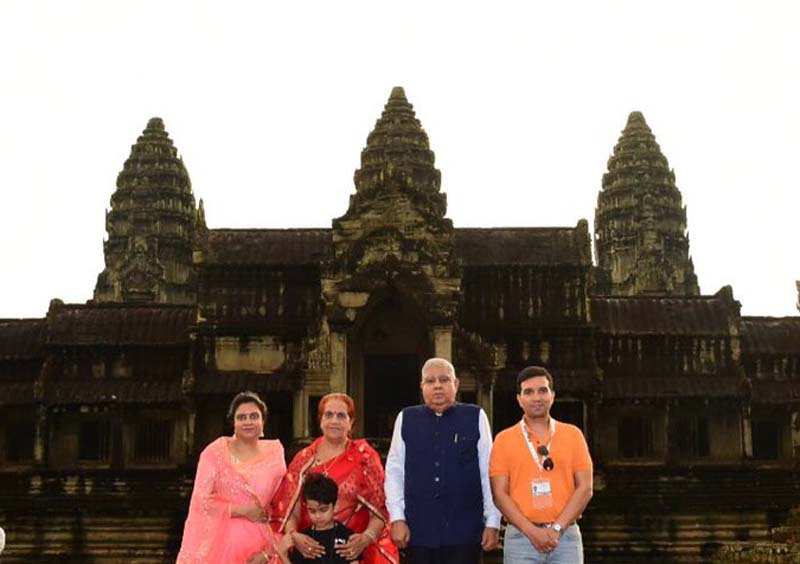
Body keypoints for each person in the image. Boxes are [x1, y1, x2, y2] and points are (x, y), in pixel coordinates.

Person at [384, 357, 501, 564]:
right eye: (430, 381)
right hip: (418, 531)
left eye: (444, 380)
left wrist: (492, 521)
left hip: (464, 531)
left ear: (456, 384)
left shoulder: (475, 416)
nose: (437, 386)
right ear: (422, 386)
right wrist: (397, 518)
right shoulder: (407, 418)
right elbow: (395, 472)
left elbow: (488, 471)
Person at [271, 393, 399, 564]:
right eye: (329, 415)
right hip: (309, 549)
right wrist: (294, 536)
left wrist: (365, 539)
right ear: (320, 420)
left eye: (341, 416)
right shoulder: (304, 458)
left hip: (350, 550)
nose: (334, 421)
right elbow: (289, 509)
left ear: (351, 422)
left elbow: (381, 510)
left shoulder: (364, 458)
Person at [489, 366, 593, 563]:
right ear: (519, 399)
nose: (536, 398)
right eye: (528, 392)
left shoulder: (573, 435)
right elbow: (499, 494)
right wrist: (531, 531)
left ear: (552, 396)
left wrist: (556, 529)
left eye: (542, 391)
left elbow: (585, 488)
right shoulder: (503, 440)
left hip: (565, 537)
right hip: (521, 538)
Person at [177, 391, 286, 564]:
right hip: (223, 544)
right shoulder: (215, 453)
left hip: (266, 541)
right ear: (233, 423)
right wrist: (241, 511)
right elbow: (201, 500)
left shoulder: (275, 453)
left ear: (263, 421)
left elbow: (283, 501)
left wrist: (269, 550)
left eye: (254, 416)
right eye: (241, 417)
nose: (248, 422)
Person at [277, 473, 358, 564]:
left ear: (335, 506)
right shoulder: (303, 541)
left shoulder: (346, 535)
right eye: (312, 511)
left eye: (323, 510)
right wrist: (282, 555)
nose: (318, 516)